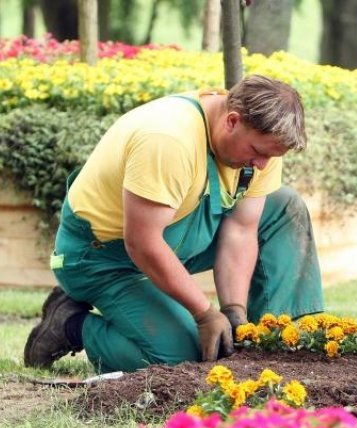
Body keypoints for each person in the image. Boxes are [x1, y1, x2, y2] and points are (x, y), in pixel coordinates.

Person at [24, 74, 323, 373]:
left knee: (284, 207)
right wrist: (204, 314)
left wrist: (233, 311)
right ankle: (70, 324)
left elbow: (242, 229)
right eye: (258, 153)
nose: (262, 165)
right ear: (232, 121)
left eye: (271, 156)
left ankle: (273, 344)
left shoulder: (260, 145)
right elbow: (143, 243)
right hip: (103, 258)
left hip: (177, 235)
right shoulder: (168, 140)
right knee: (184, 356)